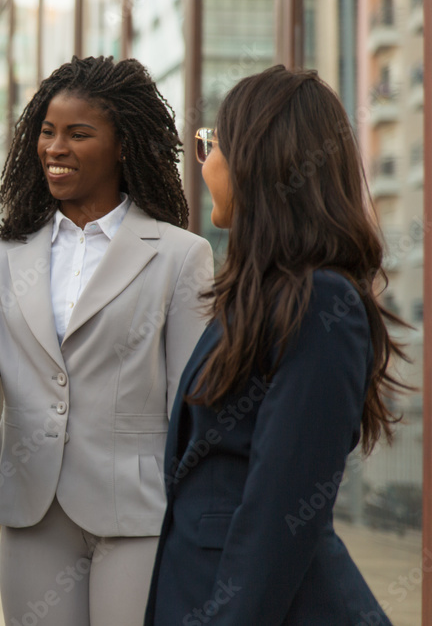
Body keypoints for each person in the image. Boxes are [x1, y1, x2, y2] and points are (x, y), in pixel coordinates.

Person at [0, 56, 214, 625]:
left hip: (138, 511)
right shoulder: (0, 253)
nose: (56, 147)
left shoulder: (180, 255)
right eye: (47, 132)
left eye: (79, 134)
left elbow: (192, 397)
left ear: (124, 145)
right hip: (34, 508)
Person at [143, 66, 405, 625]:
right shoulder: (258, 297)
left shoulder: (320, 306)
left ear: (259, 162)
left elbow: (279, 517)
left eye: (213, 144)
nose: (204, 161)